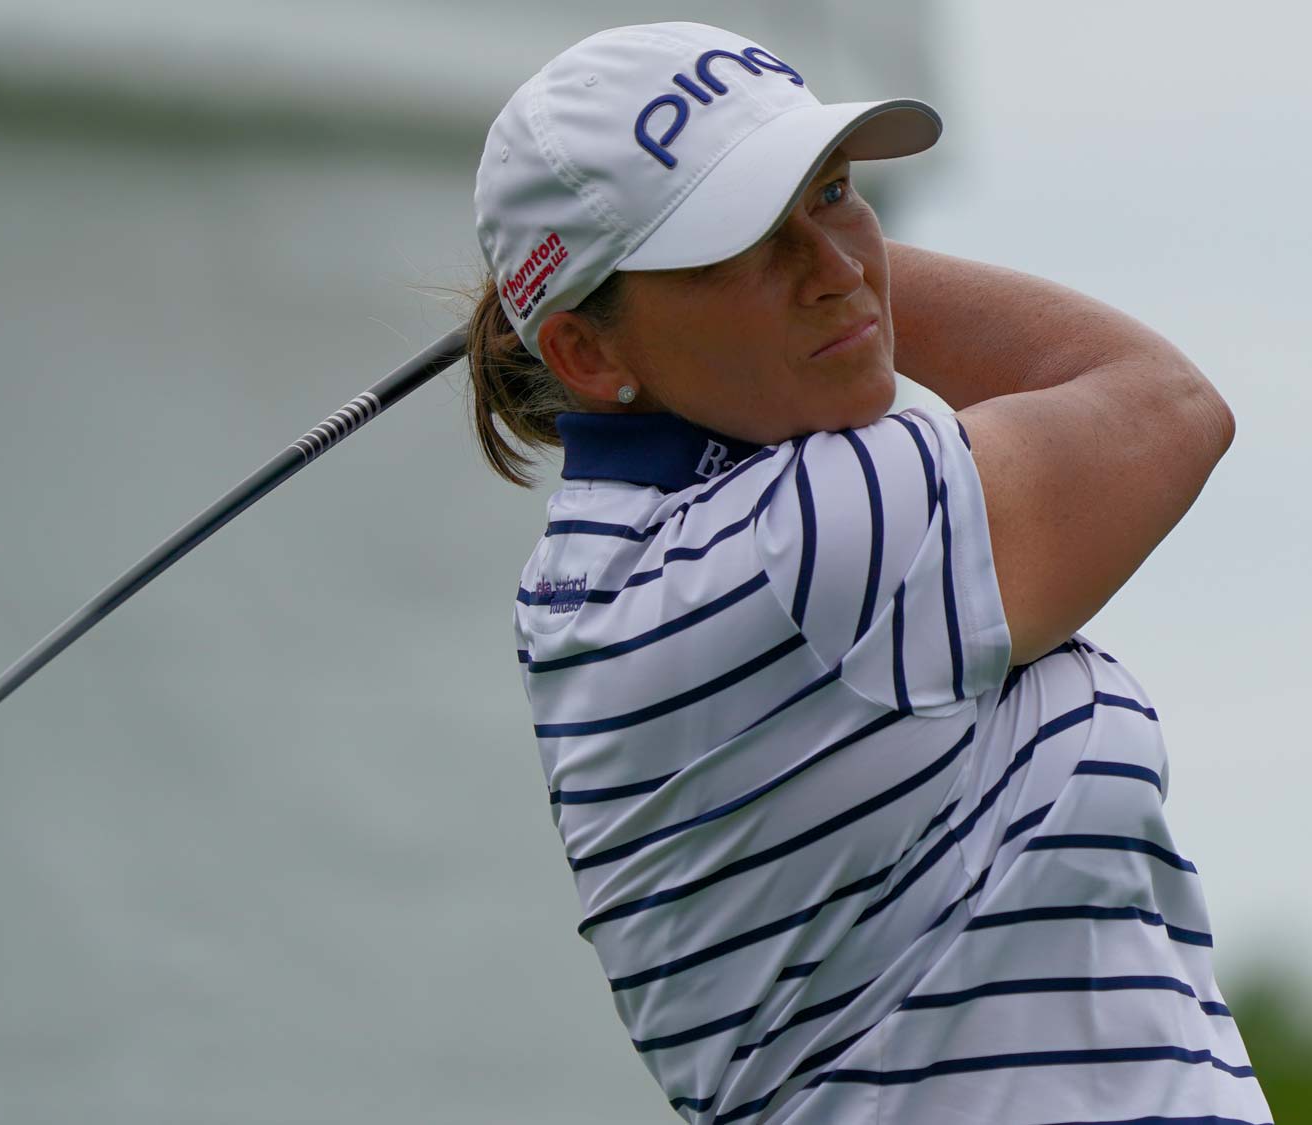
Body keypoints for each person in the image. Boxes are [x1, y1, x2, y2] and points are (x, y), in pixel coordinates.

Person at [468, 22, 1270, 1125]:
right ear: (587, 356)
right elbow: (1162, 405)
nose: (836, 268)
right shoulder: (807, 536)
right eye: (732, 243)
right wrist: (829, 245)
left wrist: (744, 238)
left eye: (836, 192)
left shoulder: (594, 566)